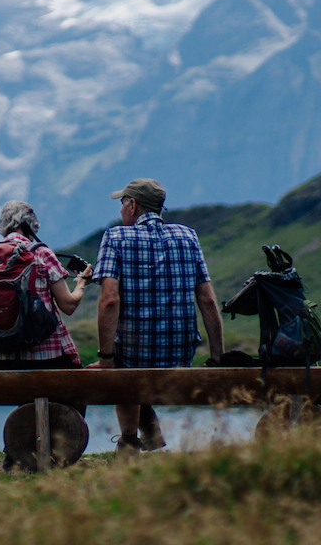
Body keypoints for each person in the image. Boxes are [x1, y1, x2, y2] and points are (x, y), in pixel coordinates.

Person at [91, 177, 224, 454]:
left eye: (122, 204)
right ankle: (148, 430)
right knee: (137, 360)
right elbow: (208, 300)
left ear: (132, 205)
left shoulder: (115, 237)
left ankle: (129, 439)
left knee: (123, 363)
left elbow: (110, 301)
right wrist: (217, 359)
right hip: (179, 356)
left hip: (132, 357)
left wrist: (105, 360)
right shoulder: (188, 236)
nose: (120, 211)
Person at [0, 200, 92, 369]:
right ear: (29, 224)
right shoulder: (42, 253)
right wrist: (82, 283)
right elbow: (68, 305)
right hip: (45, 356)